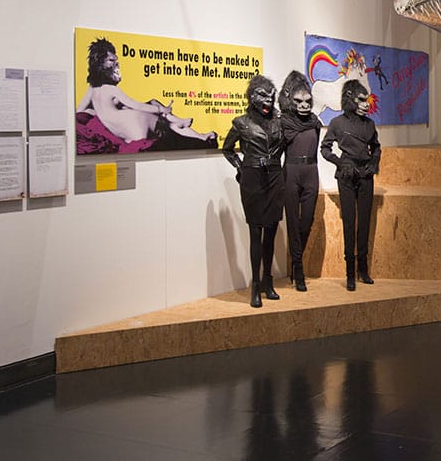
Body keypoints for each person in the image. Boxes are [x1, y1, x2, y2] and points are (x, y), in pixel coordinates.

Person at [76, 37, 216, 152]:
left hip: (130, 133)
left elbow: (81, 111)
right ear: (100, 64)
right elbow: (136, 105)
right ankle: (182, 124)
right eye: (112, 60)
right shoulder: (112, 90)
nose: (116, 64)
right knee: (166, 119)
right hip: (141, 125)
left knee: (154, 104)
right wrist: (162, 110)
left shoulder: (92, 89)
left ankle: (181, 123)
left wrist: (99, 113)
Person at [222, 75, 285, 308]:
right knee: (255, 233)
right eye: (262, 95)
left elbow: (287, 145)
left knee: (271, 232)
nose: (267, 100)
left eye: (271, 96)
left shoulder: (280, 123)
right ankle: (255, 287)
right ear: (252, 97)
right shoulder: (241, 123)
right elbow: (227, 149)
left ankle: (269, 283)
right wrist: (241, 168)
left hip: (274, 180)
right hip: (252, 181)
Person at [320, 80, 381, 291]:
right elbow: (325, 148)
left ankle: (362, 270)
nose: (366, 104)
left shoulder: (369, 125)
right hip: (346, 175)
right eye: (361, 100)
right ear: (350, 99)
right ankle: (349, 273)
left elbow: (377, 147)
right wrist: (340, 162)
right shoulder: (337, 123)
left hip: (365, 175)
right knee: (349, 221)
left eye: (367, 100)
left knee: (363, 222)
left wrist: (373, 164)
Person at [278, 71, 321, 292]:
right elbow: (277, 151)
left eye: (307, 100)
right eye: (298, 101)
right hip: (291, 172)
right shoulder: (284, 122)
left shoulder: (315, 122)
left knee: (307, 221)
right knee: (293, 223)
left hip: (311, 171)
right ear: (289, 100)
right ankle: (299, 269)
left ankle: (296, 262)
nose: (304, 105)